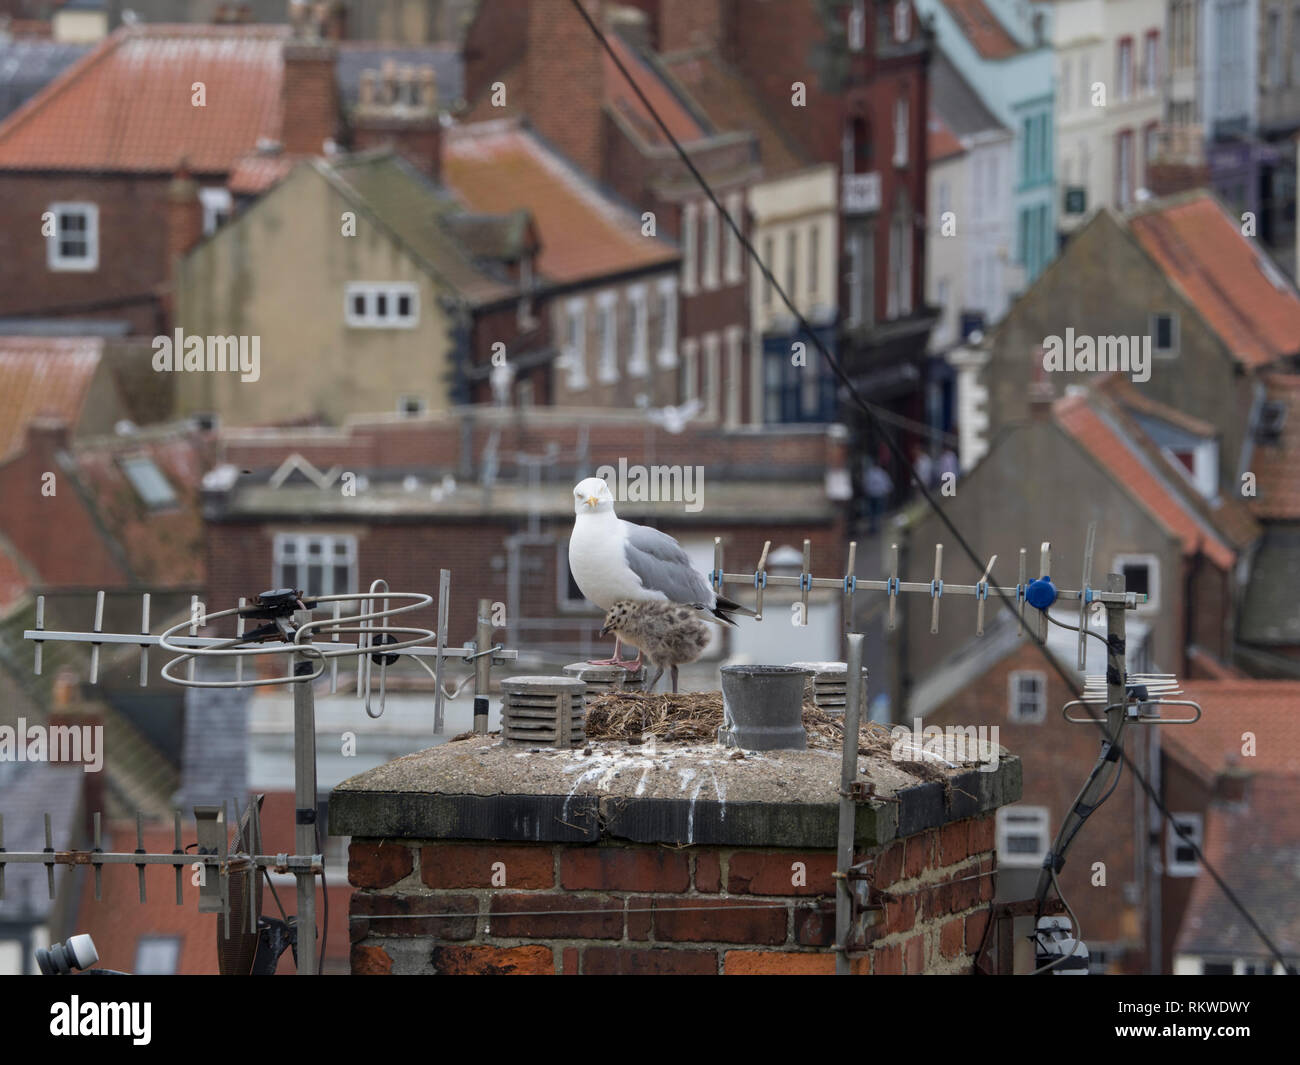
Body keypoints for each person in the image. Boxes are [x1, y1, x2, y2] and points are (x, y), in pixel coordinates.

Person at [864, 460, 893, 535]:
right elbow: (888, 486)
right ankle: (875, 527)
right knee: (877, 513)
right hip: (878, 495)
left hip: (872, 495)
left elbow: (865, 484)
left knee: (873, 513)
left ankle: (874, 527)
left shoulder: (869, 473)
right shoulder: (882, 473)